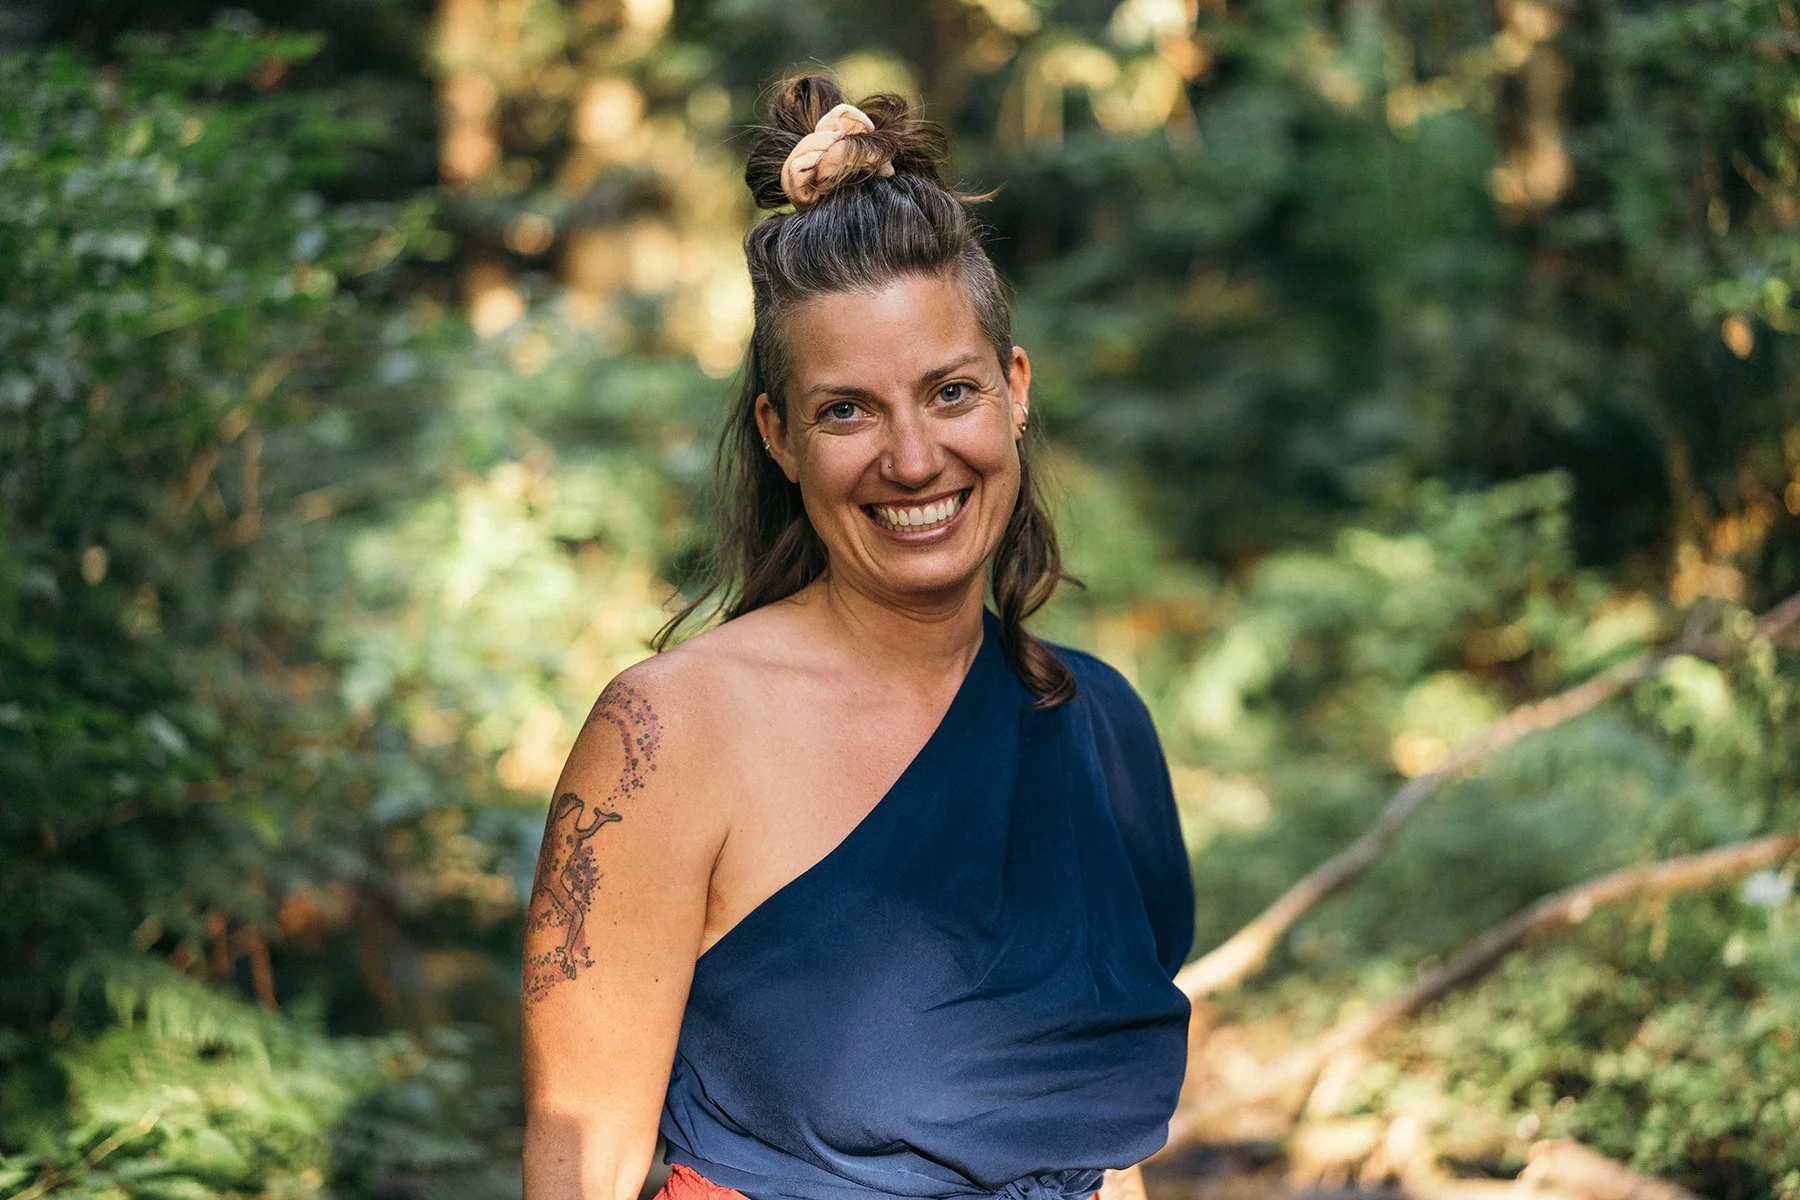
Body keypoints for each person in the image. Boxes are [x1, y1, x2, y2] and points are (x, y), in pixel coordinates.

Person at [520, 75, 1194, 1200]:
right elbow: (578, 1169)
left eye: (949, 392)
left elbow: (1097, 1155)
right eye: (848, 410)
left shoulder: (1100, 724)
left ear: (1013, 392)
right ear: (779, 436)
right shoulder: (667, 738)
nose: (915, 459)